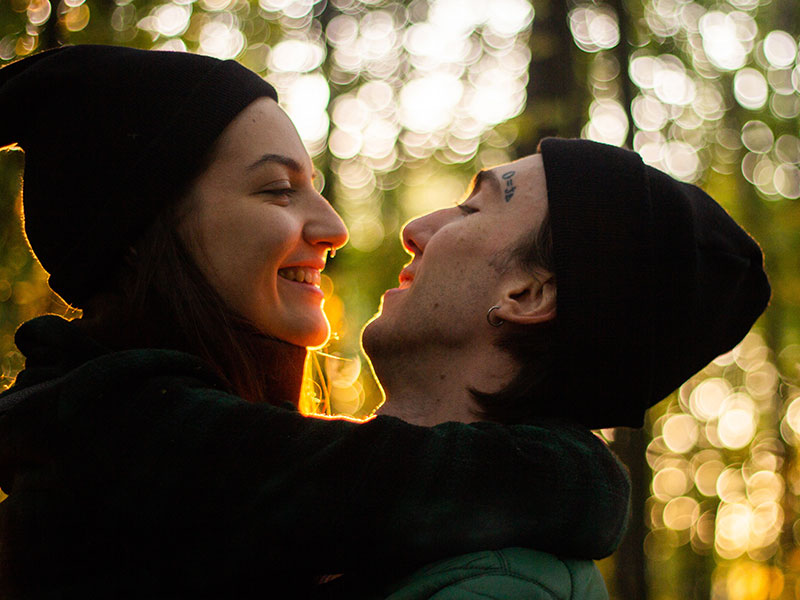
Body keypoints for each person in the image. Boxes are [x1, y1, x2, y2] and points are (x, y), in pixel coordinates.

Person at [0, 46, 631, 598]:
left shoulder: (180, 452)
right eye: (278, 189)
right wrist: (577, 476)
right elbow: (369, 480)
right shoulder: (117, 431)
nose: (334, 227)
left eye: (316, 187)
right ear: (144, 231)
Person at [342, 139, 771, 597]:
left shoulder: (502, 589)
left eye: (471, 210)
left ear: (528, 295)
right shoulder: (390, 547)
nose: (414, 229)